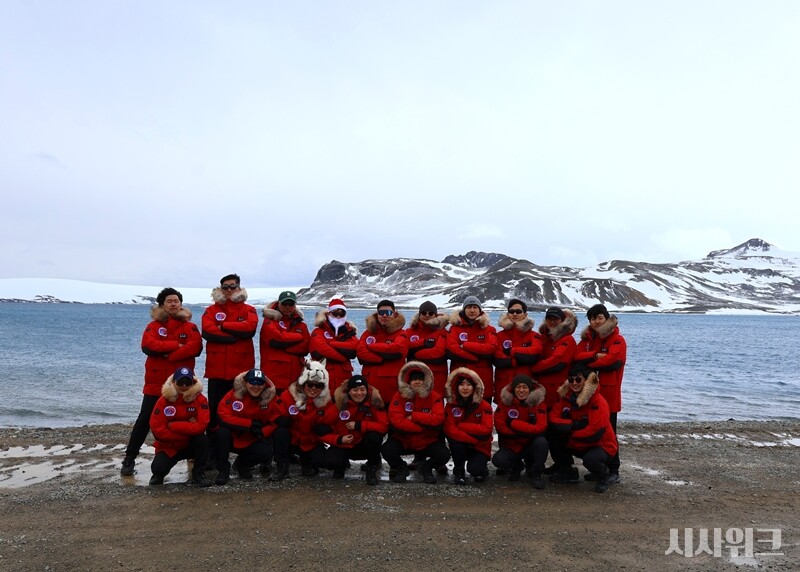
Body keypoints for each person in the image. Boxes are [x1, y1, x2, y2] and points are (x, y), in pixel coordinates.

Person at [121, 287, 203, 477]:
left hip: (183, 383)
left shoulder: (190, 327)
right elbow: (148, 346)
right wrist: (177, 346)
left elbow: (196, 347)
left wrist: (169, 354)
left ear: (181, 304)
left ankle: (193, 456)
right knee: (144, 421)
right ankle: (129, 458)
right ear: (162, 305)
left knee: (188, 418)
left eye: (176, 301)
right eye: (169, 301)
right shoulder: (154, 326)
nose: (173, 304)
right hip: (155, 382)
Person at [200, 274, 259, 459]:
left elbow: (250, 328)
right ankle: (212, 452)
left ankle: (244, 449)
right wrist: (234, 333)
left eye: (232, 286)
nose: (229, 290)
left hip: (240, 373)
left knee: (242, 409)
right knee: (215, 412)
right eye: (225, 287)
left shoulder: (249, 309)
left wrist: (223, 325)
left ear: (239, 288)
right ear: (220, 289)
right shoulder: (210, 310)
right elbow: (208, 331)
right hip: (217, 370)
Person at [574, 303, 627, 484]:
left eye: (599, 317)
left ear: (606, 318)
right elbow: (576, 355)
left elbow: (614, 360)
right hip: (590, 395)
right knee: (594, 430)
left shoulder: (617, 339)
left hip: (609, 394)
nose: (596, 321)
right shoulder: (589, 339)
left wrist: (589, 362)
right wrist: (596, 356)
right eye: (592, 318)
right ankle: (600, 468)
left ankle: (614, 469)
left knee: (610, 432)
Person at [547, 364, 618, 493]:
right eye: (571, 380)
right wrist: (573, 425)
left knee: (591, 460)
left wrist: (570, 431)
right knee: (552, 434)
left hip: (601, 445)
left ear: (587, 381)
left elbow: (595, 431)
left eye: (578, 380)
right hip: (578, 441)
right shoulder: (567, 397)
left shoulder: (598, 401)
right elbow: (553, 417)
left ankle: (603, 475)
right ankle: (567, 471)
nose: (574, 383)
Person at [382, 361, 449, 484]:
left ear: (426, 381)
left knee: (444, 455)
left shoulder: (435, 397)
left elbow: (438, 419)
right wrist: (423, 425)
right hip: (405, 440)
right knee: (387, 450)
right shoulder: (399, 396)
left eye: (420, 379)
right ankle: (401, 468)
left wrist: (414, 416)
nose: (417, 382)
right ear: (408, 382)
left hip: (427, 440)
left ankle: (426, 469)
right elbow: (396, 420)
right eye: (414, 379)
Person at [214, 368, 281, 486]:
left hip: (253, 438)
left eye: (260, 383)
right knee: (221, 433)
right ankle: (223, 471)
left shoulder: (270, 398)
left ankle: (242, 465)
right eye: (253, 382)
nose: (256, 386)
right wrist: (249, 424)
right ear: (246, 383)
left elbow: (278, 417)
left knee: (266, 452)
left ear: (264, 385)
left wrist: (263, 431)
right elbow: (222, 415)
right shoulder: (234, 394)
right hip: (234, 437)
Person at [274, 359, 339, 477]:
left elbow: (334, 424)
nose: (313, 388)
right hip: (292, 441)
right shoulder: (288, 396)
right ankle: (282, 466)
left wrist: (328, 428)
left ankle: (306, 462)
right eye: (310, 384)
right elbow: (274, 412)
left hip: (310, 443)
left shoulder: (326, 404)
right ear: (303, 384)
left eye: (318, 385)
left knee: (327, 462)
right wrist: (279, 418)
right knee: (280, 432)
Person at [148, 367, 211, 487]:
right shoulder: (164, 400)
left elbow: (201, 426)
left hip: (190, 445)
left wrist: (172, 425)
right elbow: (158, 430)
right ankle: (158, 476)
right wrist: (189, 427)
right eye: (180, 382)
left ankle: (199, 474)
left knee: (203, 440)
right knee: (158, 469)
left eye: (187, 382)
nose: (184, 385)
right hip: (169, 447)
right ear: (173, 382)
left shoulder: (201, 400)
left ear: (193, 383)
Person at [327, 374, 389, 485]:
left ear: (367, 390)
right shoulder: (340, 404)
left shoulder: (374, 403)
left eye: (362, 389)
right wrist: (339, 439)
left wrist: (360, 425)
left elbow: (384, 426)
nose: (359, 393)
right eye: (355, 390)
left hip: (363, 445)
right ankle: (341, 464)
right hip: (345, 444)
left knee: (374, 437)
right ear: (349, 391)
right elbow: (324, 425)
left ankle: (372, 467)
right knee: (331, 461)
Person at [492, 374, 549, 489]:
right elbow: (500, 426)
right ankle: (516, 466)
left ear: (530, 389)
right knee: (498, 460)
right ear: (513, 389)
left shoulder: (539, 403)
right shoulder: (505, 402)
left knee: (541, 442)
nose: (521, 390)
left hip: (529, 445)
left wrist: (514, 424)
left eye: (524, 387)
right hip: (512, 445)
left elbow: (541, 427)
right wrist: (527, 431)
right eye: (518, 387)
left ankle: (536, 474)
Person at [443, 368, 493, 485]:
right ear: (456, 387)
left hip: (480, 447)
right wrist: (472, 439)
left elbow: (486, 429)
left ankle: (482, 466)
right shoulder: (451, 405)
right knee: (456, 444)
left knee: (476, 470)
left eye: (469, 384)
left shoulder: (484, 405)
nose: (465, 388)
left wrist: (461, 425)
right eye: (462, 384)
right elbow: (450, 429)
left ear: (475, 387)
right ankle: (459, 470)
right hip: (464, 444)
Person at [357, 300, 409, 404]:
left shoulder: (402, 333)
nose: (384, 315)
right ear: (377, 314)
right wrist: (381, 358)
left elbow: (398, 350)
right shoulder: (368, 333)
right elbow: (360, 353)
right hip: (369, 386)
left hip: (392, 387)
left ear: (394, 314)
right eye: (381, 313)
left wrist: (371, 347)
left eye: (388, 313)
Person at [447, 296, 497, 400]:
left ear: (480, 310)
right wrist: (474, 357)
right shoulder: (455, 328)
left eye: (475, 307)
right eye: (469, 307)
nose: (472, 310)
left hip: (482, 378)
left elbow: (491, 348)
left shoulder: (489, 329)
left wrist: (465, 345)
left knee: (483, 412)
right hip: (460, 380)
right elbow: (452, 348)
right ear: (464, 309)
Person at [259, 290, 310, 393]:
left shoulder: (301, 325)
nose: (288, 306)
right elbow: (277, 340)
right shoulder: (269, 321)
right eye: (285, 303)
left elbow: (306, 347)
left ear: (295, 305)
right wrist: (299, 337)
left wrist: (285, 348)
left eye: (291, 304)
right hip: (274, 378)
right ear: (278, 304)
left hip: (296, 378)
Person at [493, 299, 543, 403]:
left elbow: (535, 353)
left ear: (525, 314)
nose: (515, 314)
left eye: (518, 311)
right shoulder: (499, 336)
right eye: (511, 311)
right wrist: (520, 358)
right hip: (504, 383)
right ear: (507, 314)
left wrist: (512, 351)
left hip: (526, 385)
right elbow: (497, 358)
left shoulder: (534, 336)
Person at [530, 306, 577, 410]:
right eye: (549, 319)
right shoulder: (544, 338)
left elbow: (558, 362)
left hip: (558, 389)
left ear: (562, 320)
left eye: (555, 319)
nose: (552, 322)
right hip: (541, 388)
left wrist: (533, 368)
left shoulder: (568, 339)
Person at [309, 298, 359, 393]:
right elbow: (320, 349)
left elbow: (355, 347)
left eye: (342, 313)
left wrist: (330, 343)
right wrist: (342, 357)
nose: (338, 316)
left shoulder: (349, 332)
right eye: (335, 313)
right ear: (329, 313)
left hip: (344, 380)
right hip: (322, 381)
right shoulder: (319, 331)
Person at [405, 300, 449, 395]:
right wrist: (424, 343)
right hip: (414, 376)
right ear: (419, 314)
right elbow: (404, 348)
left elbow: (438, 353)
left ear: (435, 315)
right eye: (424, 313)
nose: (427, 315)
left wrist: (415, 353)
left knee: (436, 405)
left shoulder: (442, 332)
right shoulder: (409, 331)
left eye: (431, 313)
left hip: (436, 376)